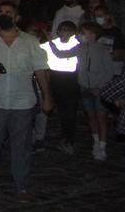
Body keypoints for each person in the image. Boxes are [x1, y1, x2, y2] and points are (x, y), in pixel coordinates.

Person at [0, 1, 52, 200]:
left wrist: (47, 97)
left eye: (8, 12)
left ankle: (21, 183)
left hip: (22, 101)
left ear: (17, 17)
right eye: (1, 12)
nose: (4, 15)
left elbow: (40, 70)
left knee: (21, 144)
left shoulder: (30, 41)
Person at [76, 21, 117, 161]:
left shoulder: (102, 49)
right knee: (91, 116)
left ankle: (102, 146)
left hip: (99, 89)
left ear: (93, 34)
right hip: (84, 87)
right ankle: (95, 142)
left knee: (101, 118)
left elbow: (109, 71)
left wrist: (99, 87)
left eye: (84, 32)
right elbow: (63, 54)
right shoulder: (80, 48)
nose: (81, 35)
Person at [41, 21, 81, 154]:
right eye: (61, 30)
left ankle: (69, 139)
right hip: (54, 78)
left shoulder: (78, 44)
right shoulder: (51, 43)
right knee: (53, 109)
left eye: (67, 30)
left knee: (69, 112)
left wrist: (50, 41)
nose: (64, 32)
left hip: (71, 81)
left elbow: (61, 54)